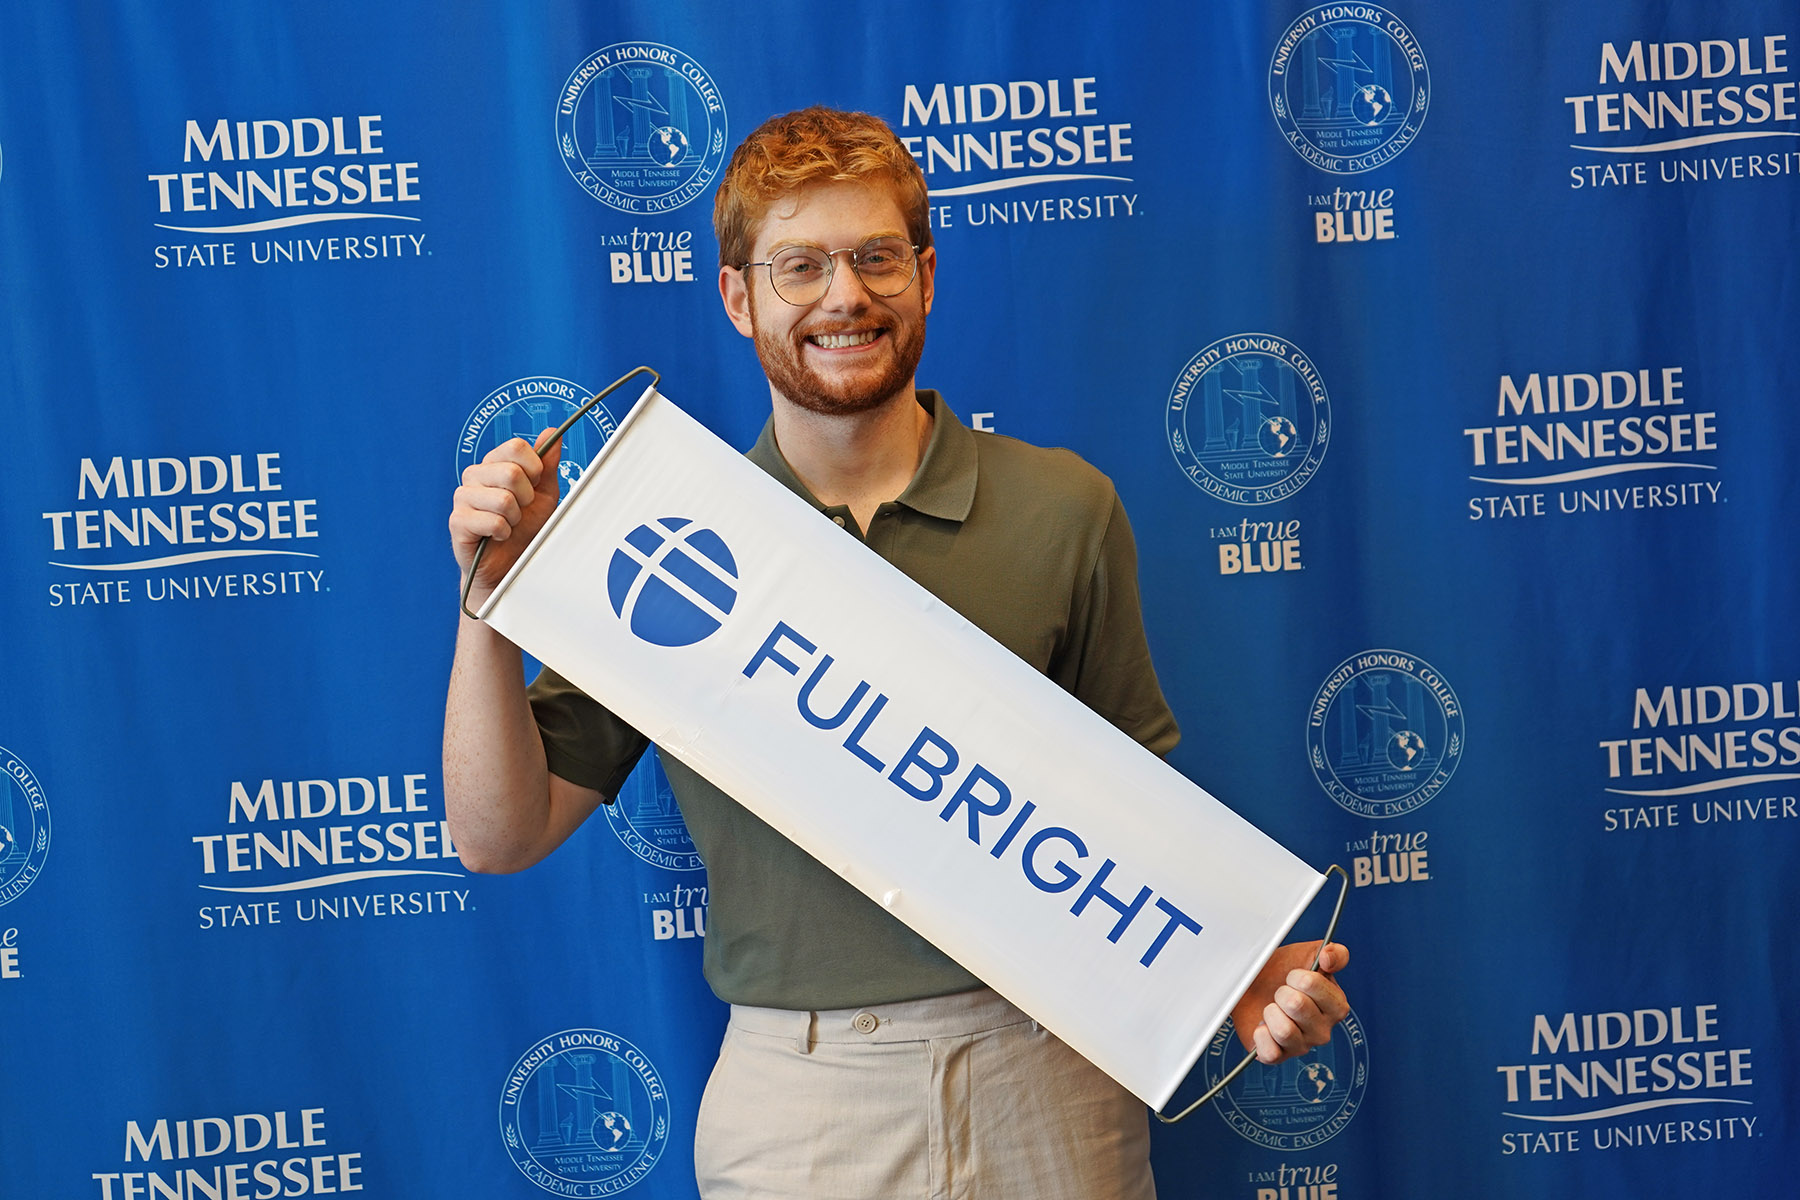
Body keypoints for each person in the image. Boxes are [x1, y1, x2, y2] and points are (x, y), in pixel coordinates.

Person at [446, 106, 1349, 1200]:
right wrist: (490, 602)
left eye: (877, 258)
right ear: (738, 297)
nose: (845, 297)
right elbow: (500, 834)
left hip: (1052, 1077)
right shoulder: (671, 544)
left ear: (924, 275)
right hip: (802, 1101)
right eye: (801, 266)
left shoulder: (1064, 508)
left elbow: (1133, 823)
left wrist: (1234, 981)